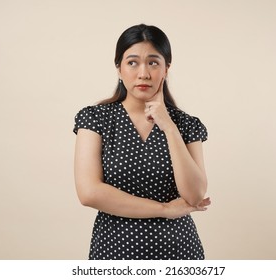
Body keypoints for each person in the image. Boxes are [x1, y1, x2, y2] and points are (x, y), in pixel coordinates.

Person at [73, 24, 211, 260]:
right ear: (119, 68)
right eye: (132, 62)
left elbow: (195, 194)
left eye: (154, 62)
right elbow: (89, 193)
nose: (143, 73)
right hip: (114, 252)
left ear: (166, 68)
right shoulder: (95, 119)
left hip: (179, 253)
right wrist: (164, 209)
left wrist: (168, 125)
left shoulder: (186, 124)